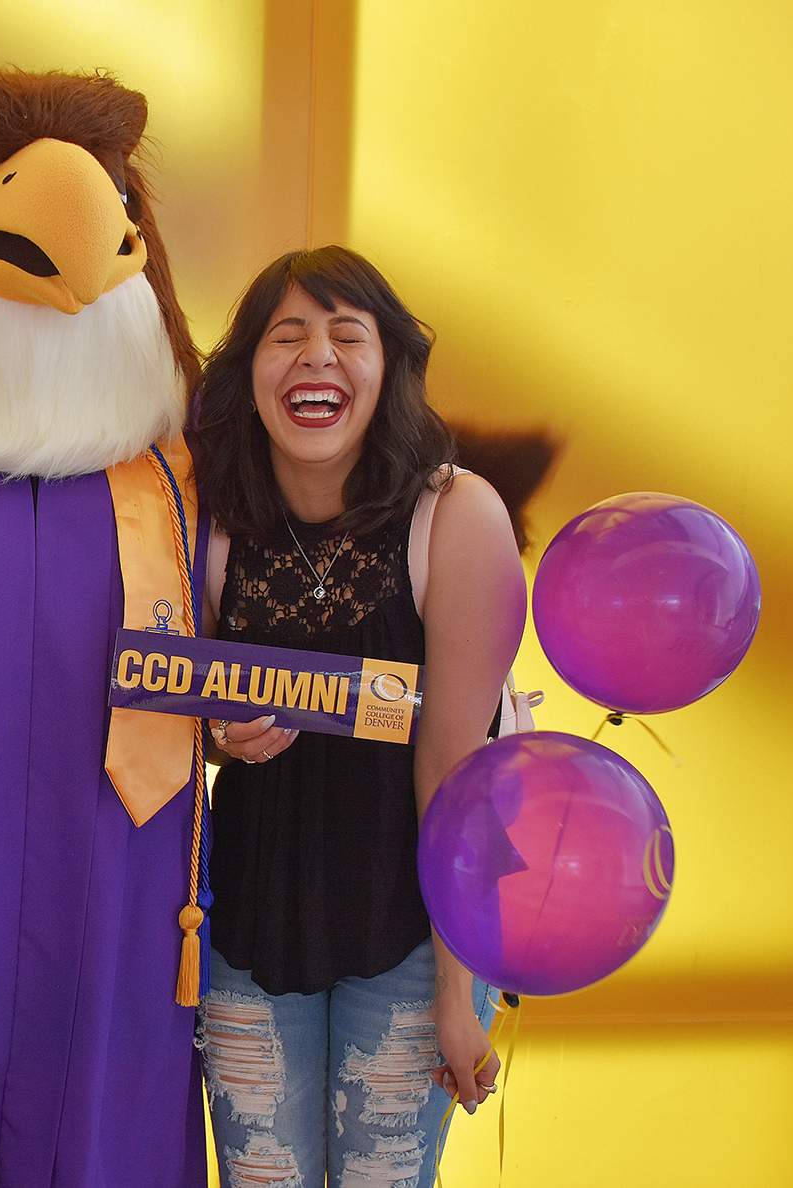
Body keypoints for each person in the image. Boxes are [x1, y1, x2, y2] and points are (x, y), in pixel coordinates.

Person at [192, 246, 526, 1188]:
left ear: (389, 369)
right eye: (286, 336)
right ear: (248, 371)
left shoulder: (455, 517)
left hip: (413, 936)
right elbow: (178, 711)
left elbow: (456, 773)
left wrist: (461, 993)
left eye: (348, 336)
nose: (317, 358)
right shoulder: (210, 523)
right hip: (249, 929)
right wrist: (219, 736)